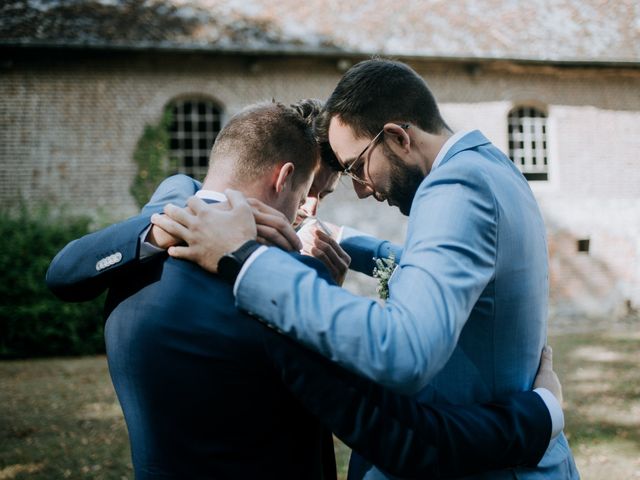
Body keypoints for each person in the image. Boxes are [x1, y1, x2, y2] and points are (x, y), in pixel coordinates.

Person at [47, 101, 565, 478]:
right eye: (310, 195)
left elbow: (67, 272)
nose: (309, 213)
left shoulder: (160, 226)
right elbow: (408, 439)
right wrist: (539, 414)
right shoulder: (274, 294)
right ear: (284, 178)